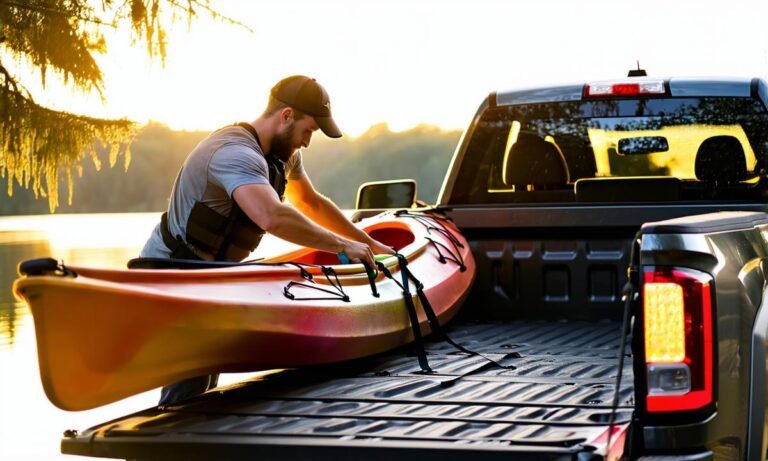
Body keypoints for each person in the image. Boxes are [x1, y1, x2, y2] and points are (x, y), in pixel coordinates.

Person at [139, 75, 394, 405]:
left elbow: (311, 203)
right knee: (187, 383)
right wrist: (343, 246)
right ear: (286, 115)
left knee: (204, 381)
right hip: (170, 272)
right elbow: (271, 216)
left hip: (213, 275)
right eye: (309, 131)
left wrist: (369, 243)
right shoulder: (233, 153)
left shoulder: (285, 155)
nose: (307, 142)